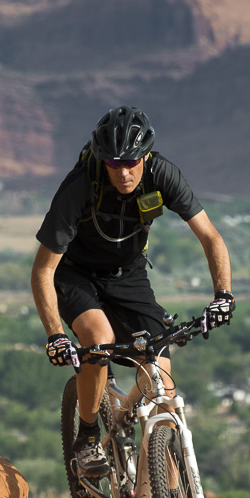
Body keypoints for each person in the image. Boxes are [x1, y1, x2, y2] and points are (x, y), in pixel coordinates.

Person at [31, 106, 234, 475]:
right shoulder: (79, 187)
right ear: (100, 159)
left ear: (146, 155)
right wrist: (55, 336)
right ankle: (88, 438)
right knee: (99, 339)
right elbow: (43, 270)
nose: (123, 172)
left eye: (131, 162)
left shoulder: (161, 173)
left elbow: (211, 236)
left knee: (162, 381)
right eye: (113, 163)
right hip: (75, 274)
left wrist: (223, 295)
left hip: (128, 275)